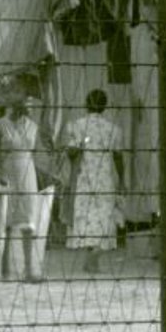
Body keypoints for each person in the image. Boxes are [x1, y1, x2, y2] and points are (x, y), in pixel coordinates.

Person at [61, 88, 124, 273]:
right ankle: (94, 256)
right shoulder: (113, 129)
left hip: (84, 176)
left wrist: (78, 147)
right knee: (104, 217)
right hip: (105, 177)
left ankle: (92, 256)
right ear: (105, 106)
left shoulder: (76, 126)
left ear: (86, 104)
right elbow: (119, 157)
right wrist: (122, 179)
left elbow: (72, 153)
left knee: (87, 217)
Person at [0, 96, 43, 283]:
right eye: (28, 106)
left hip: (28, 173)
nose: (31, 109)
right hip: (7, 172)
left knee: (29, 222)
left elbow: (37, 153)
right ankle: (5, 269)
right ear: (17, 106)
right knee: (6, 223)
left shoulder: (33, 126)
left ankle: (29, 269)